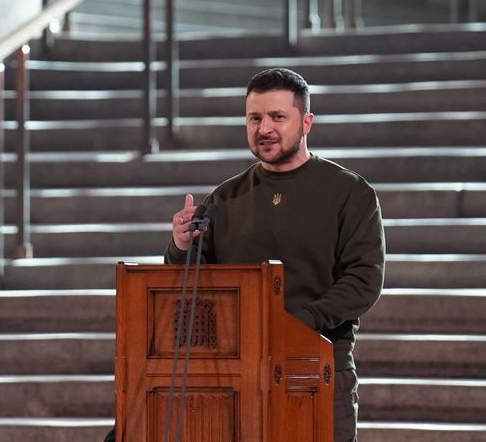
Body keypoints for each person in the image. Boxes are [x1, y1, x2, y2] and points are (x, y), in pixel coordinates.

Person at [164, 67, 386, 442]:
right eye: (255, 118)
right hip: (236, 371)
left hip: (316, 364)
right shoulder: (224, 197)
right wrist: (181, 246)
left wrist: (296, 323)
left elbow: (364, 280)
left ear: (306, 122)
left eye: (277, 117)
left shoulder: (349, 192)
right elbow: (191, 283)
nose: (264, 128)